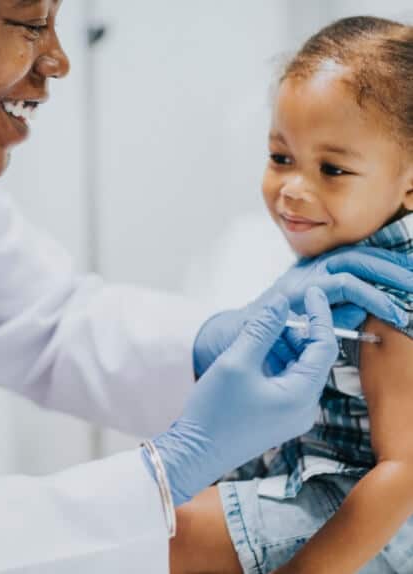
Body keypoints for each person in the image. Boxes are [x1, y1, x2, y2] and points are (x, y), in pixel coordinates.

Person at [0, 2, 411, 572]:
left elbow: (51, 319)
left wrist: (210, 343)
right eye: (31, 24)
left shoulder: (381, 297)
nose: (58, 60)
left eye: (332, 168)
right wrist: (171, 467)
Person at [171, 16, 413, 574]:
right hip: (323, 482)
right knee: (157, 515)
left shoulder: (389, 293)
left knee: (167, 531)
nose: (294, 189)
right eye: (282, 157)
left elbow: (403, 470)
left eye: (333, 168)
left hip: (373, 519)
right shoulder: (346, 249)